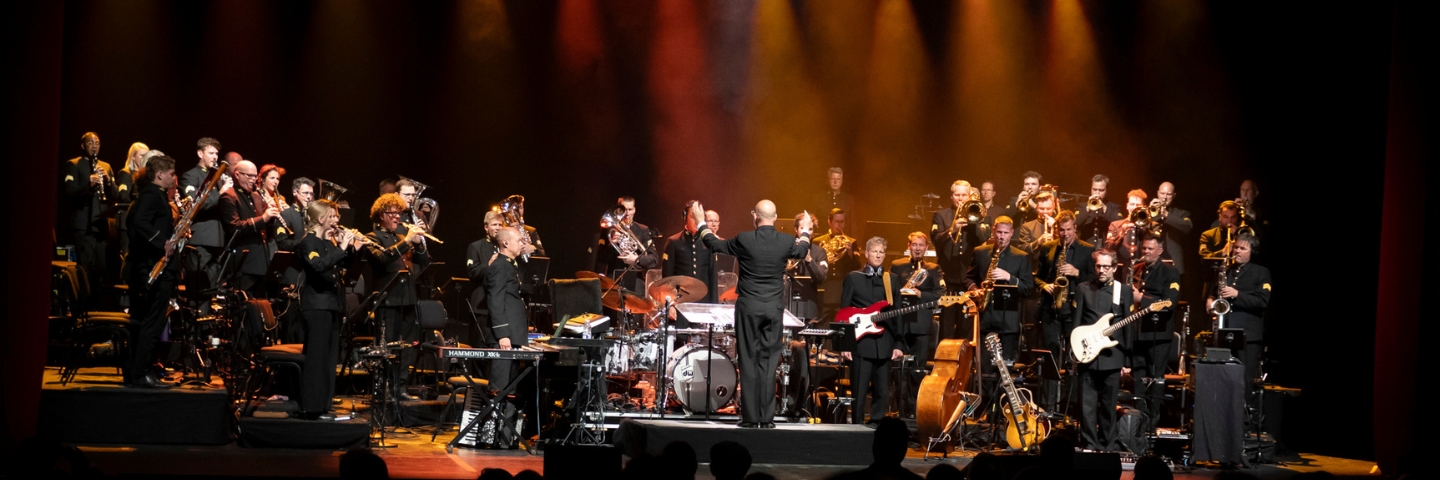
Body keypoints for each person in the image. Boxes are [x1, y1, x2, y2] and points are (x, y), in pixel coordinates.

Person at [690, 199, 813, 428]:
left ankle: (750, 418)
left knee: (748, 359)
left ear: (754, 216)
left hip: (748, 306)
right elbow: (802, 250)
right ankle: (766, 419)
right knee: (768, 361)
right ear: (775, 218)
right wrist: (805, 230)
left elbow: (714, 245)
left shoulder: (744, 239)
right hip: (773, 308)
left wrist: (700, 223)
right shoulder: (786, 240)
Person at [296, 199, 363, 420]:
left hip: (332, 305)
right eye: (333, 216)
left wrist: (352, 249)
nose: (337, 221)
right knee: (317, 358)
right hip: (316, 306)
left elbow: (342, 267)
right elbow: (318, 267)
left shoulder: (329, 243)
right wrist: (342, 247)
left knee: (329, 358)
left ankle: (323, 405)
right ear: (321, 218)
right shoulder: (308, 243)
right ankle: (312, 406)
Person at [365, 193, 431, 400]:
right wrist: (407, 242)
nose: (396, 217)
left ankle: (400, 388)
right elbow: (383, 259)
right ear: (380, 215)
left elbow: (424, 262)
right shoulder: (372, 237)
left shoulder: (404, 236)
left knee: (406, 348)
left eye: (399, 213)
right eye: (391, 213)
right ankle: (384, 388)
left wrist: (419, 244)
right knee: (388, 347)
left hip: (408, 298)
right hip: (387, 300)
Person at [123, 155, 178, 389]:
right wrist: (162, 243)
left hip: (154, 266)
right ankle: (141, 372)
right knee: (151, 321)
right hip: (152, 268)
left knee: (150, 320)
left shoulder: (156, 195)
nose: (174, 178)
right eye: (172, 173)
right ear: (159, 175)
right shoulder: (151, 195)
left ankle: (140, 371)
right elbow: (140, 223)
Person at [1072, 248, 1134, 451]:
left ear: (1114, 268)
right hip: (1086, 354)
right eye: (1098, 266)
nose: (1101, 270)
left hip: (1112, 356)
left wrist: (1127, 361)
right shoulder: (1082, 288)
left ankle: (1107, 446)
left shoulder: (1123, 291)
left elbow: (1128, 328)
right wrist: (1074, 352)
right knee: (1087, 405)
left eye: (1106, 267)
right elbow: (1076, 323)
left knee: (1108, 405)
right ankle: (1090, 444)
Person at [839, 237, 905, 426]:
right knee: (859, 392)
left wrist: (899, 343)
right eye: (875, 251)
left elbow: (896, 314)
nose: (878, 255)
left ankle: (877, 428)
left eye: (881, 252)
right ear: (866, 254)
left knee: (882, 392)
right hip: (861, 344)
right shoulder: (853, 277)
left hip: (884, 344)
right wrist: (845, 344)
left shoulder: (891, 279)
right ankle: (857, 429)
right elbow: (844, 311)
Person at [1033, 211, 1095, 391]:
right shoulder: (1048, 248)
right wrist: (1045, 285)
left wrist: (1077, 273)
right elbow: (1037, 278)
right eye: (1062, 230)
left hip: (1074, 309)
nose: (1065, 234)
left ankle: (1070, 407)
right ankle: (1048, 406)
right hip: (1051, 308)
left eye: (1069, 230)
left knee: (1073, 356)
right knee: (1050, 356)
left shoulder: (1087, 249)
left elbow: (1093, 279)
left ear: (1075, 229)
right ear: (1056, 231)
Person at [1206, 233, 1270, 396]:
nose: (1237, 251)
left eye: (1243, 248)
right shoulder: (1227, 270)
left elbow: (1262, 301)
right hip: (1225, 331)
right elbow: (1214, 291)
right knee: (1224, 376)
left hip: (1246, 335)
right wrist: (1210, 299)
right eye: (1236, 247)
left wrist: (1237, 294)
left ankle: (1244, 416)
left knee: (1244, 379)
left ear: (1252, 251)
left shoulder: (1261, 272)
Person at [1130, 235, 1180, 432]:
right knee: (1138, 377)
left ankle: (1152, 423)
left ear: (1160, 251)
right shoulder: (1138, 269)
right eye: (1144, 249)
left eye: (1150, 249)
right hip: (1138, 331)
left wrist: (1141, 298)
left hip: (1158, 333)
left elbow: (1170, 303)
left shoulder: (1170, 272)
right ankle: (1137, 420)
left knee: (1156, 378)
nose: (1146, 252)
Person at [966, 216, 1033, 364]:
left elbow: (1027, 288)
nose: (1002, 237)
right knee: (984, 366)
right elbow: (969, 278)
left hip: (1008, 322)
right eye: (999, 232)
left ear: (1011, 233)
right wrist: (976, 290)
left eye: (1005, 233)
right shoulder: (980, 252)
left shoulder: (1022, 257)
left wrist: (1009, 277)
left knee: (1005, 366)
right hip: (985, 318)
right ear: (993, 231)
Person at [889, 232, 942, 417]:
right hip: (901, 324)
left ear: (926, 248)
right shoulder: (897, 265)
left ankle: (914, 411)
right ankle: (899, 410)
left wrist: (920, 295)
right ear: (908, 246)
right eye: (914, 245)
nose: (917, 248)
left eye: (921, 245)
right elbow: (889, 292)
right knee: (899, 371)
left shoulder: (934, 268)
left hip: (921, 325)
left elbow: (940, 295)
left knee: (917, 370)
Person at [61, 132, 118, 297]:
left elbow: (116, 194)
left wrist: (108, 180)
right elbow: (70, 192)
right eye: (90, 143)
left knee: (101, 268)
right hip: (82, 225)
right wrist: (88, 184)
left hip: (100, 226)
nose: (94, 146)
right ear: (83, 146)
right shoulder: (74, 164)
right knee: (85, 267)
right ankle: (83, 305)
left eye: (97, 143)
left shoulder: (106, 166)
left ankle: (96, 304)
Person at [219, 160, 280, 297]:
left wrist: (272, 218)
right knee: (243, 307)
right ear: (237, 174)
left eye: (255, 176)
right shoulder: (228, 197)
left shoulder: (256, 196)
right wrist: (263, 218)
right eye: (249, 176)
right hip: (243, 263)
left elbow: (265, 229)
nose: (254, 180)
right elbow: (235, 227)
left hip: (261, 262)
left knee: (260, 307)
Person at [486, 227, 531, 389]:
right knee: (499, 386)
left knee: (511, 387)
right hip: (505, 337)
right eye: (518, 240)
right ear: (505, 243)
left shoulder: (511, 265)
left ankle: (507, 414)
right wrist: (502, 334)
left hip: (514, 334)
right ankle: (494, 414)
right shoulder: (499, 266)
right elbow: (495, 300)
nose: (522, 244)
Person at [178, 137, 226, 286]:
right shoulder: (190, 176)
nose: (215, 157)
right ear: (200, 153)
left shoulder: (218, 177)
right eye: (211, 153)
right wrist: (221, 193)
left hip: (219, 238)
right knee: (197, 282)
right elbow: (195, 204)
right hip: (201, 238)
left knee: (212, 285)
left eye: (216, 154)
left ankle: (207, 310)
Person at [589, 198, 659, 286]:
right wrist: (612, 244)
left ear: (634, 210)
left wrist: (636, 259)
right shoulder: (608, 230)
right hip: (614, 279)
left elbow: (654, 259)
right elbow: (601, 259)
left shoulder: (643, 229)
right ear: (618, 209)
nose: (627, 213)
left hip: (636, 280)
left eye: (630, 209)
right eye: (624, 209)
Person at [662, 200, 718, 304]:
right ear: (684, 217)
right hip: (679, 303)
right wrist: (670, 306)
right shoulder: (673, 242)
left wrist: (714, 306)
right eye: (693, 217)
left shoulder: (709, 243)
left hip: (703, 303)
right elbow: (667, 279)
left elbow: (713, 279)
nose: (697, 221)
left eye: (699, 217)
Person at [813, 208, 859, 315]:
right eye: (837, 222)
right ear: (829, 222)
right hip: (824, 285)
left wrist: (850, 253)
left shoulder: (852, 241)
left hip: (842, 287)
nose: (840, 225)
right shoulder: (818, 241)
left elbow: (857, 268)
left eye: (842, 222)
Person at [784, 212, 829, 320]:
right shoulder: (786, 248)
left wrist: (810, 260)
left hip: (809, 307)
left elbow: (822, 278)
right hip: (786, 304)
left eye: (810, 229)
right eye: (802, 228)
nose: (807, 233)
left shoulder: (819, 252)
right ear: (796, 229)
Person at [114, 142, 149, 259]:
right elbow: (124, 195)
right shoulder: (126, 173)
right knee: (128, 255)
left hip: (143, 221)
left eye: (147, 156)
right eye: (141, 155)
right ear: (133, 157)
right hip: (128, 221)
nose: (145, 159)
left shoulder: (148, 176)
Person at [1152, 182, 1194, 274]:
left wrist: (1167, 215)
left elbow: (1187, 227)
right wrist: (1149, 213)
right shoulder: (1150, 213)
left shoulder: (1181, 214)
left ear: (1174, 195)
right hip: (1152, 262)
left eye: (1168, 194)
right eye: (1162, 193)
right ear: (1157, 193)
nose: (1165, 197)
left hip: (1173, 264)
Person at [1077, 174, 1125, 245]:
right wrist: (1087, 210)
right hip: (1085, 248)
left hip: (1106, 249)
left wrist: (1104, 208)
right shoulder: (1082, 206)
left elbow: (1119, 225)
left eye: (1101, 190)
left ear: (1107, 190)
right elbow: (1075, 223)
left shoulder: (1115, 207)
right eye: (1094, 189)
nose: (1097, 193)